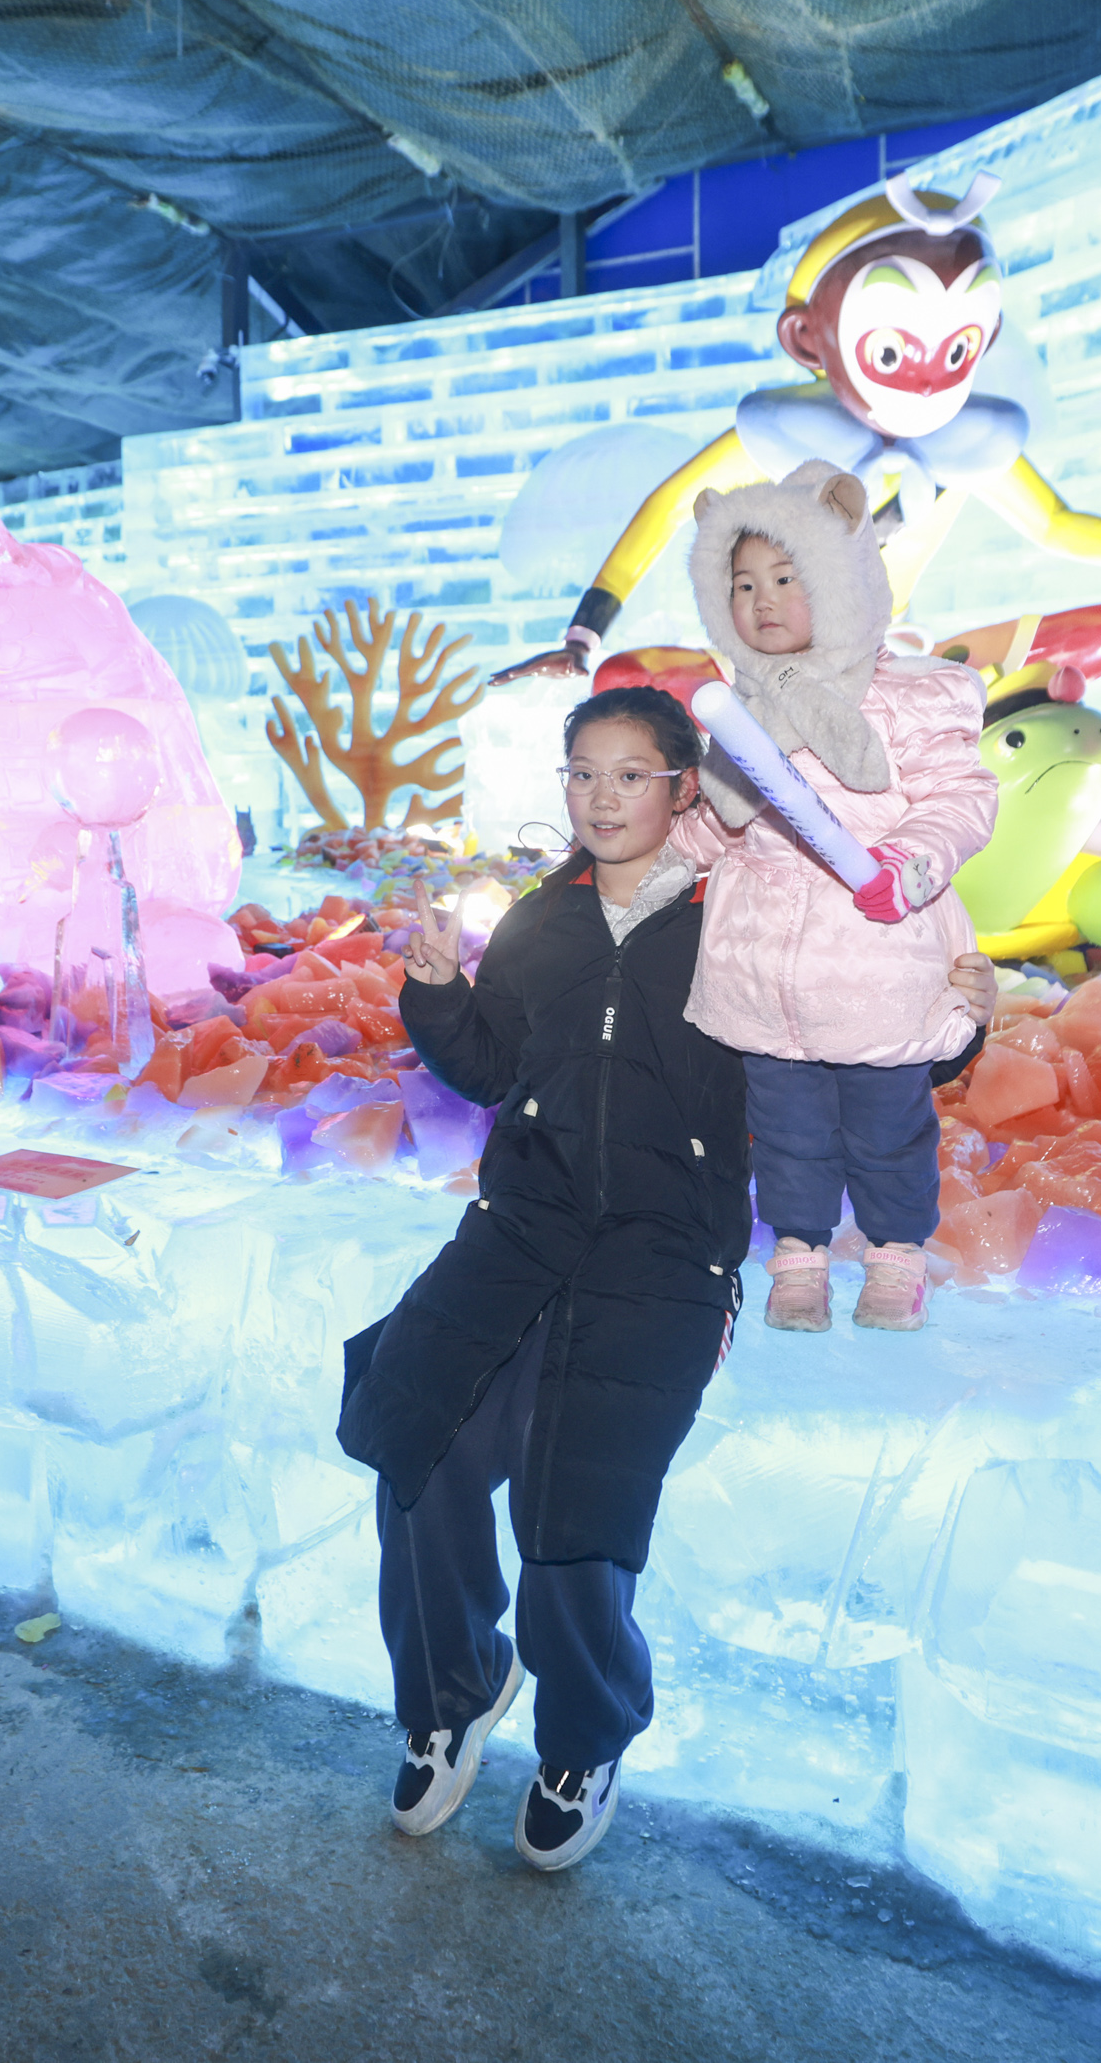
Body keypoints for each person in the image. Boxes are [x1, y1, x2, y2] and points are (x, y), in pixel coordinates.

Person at [494, 178, 1101, 889]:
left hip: (903, 671)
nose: (931, 375)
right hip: (780, 676)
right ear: (807, 338)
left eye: (957, 347)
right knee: (628, 678)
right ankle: (665, 865)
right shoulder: (776, 435)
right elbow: (665, 510)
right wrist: (583, 638)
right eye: (896, 348)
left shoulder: (972, 445)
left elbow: (1061, 526)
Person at [337, 683, 744, 1876]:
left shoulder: (740, 919)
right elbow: (488, 1070)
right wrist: (437, 993)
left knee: (576, 1504)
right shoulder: (540, 916)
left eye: (628, 774)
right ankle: (451, 1688)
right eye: (581, 773)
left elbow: (843, 1043)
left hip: (666, 1251)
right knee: (416, 1425)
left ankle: (583, 1733)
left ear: (681, 786)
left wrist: (954, 1025)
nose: (600, 797)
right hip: (523, 1222)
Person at [674, 462, 1000, 1332]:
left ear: (844, 579)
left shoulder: (909, 699)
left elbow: (961, 801)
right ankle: (799, 1251)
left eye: (787, 578)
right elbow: (716, 823)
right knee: (784, 1130)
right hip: (762, 971)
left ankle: (896, 1253)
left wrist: (910, 864)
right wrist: (652, 863)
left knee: (889, 1126)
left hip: (878, 964)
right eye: (743, 584)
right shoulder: (738, 711)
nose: (764, 601)